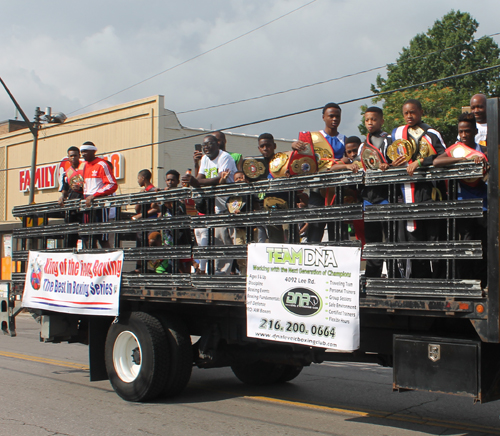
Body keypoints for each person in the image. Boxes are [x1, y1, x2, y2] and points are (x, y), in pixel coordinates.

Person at [391, 99, 446, 278]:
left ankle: (438, 280)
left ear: (421, 112)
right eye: (406, 113)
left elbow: (444, 155)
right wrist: (391, 163)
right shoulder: (397, 133)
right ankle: (420, 280)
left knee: (434, 238)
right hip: (406, 191)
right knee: (414, 239)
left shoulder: (431, 133)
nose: (409, 116)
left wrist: (421, 162)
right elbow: (388, 157)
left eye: (413, 112)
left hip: (428, 191)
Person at [433, 112, 488, 287]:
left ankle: (483, 283)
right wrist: (461, 159)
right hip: (462, 207)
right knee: (466, 246)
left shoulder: (484, 150)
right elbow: (436, 162)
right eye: (461, 131)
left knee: (483, 248)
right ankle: (467, 284)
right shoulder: (454, 149)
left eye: (467, 131)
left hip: (483, 207)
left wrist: (482, 162)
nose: (464, 135)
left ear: (475, 130)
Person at [292, 103, 347, 242]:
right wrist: (294, 146)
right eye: (331, 116)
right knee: (315, 230)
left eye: (337, 116)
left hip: (337, 191)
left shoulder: (345, 140)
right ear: (323, 117)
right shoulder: (313, 138)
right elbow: (302, 158)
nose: (334, 119)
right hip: (317, 189)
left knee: (337, 232)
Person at [182, 135, 237, 274]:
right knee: (217, 243)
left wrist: (195, 182)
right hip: (216, 207)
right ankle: (217, 274)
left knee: (231, 243)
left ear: (218, 144)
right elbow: (200, 177)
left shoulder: (225, 157)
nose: (206, 147)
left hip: (230, 205)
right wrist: (194, 180)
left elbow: (218, 178)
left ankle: (233, 275)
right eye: (204, 145)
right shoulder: (205, 158)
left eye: (209, 144)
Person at [81, 141, 118, 249]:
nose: (83, 154)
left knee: (102, 237)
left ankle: (110, 262)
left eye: (86, 151)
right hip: (87, 205)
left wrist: (95, 195)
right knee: (87, 237)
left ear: (93, 151)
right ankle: (93, 262)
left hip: (99, 205)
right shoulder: (85, 166)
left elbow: (112, 184)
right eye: (82, 151)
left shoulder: (102, 164)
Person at [257, 133, 287, 243]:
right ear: (259, 148)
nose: (265, 149)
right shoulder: (255, 165)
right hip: (267, 205)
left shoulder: (283, 161)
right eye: (262, 146)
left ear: (274, 146)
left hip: (286, 201)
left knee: (290, 237)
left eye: (268, 145)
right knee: (275, 239)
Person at [58, 146, 85, 247]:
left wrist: (81, 186)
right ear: (68, 157)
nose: (73, 158)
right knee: (70, 236)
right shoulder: (66, 173)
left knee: (85, 235)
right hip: (72, 207)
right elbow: (65, 191)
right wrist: (62, 197)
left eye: (75, 155)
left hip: (83, 205)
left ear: (79, 156)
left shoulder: (85, 168)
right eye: (71, 156)